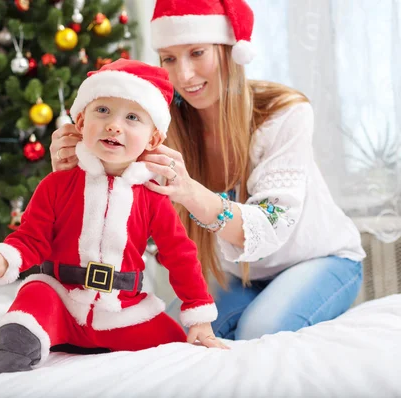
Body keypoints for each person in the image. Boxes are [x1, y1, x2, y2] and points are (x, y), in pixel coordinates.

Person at [50, 0, 366, 341]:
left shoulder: (283, 114)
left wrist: (189, 192)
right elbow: (127, 219)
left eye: (197, 53)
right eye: (169, 58)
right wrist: (75, 173)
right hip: (239, 274)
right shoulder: (160, 128)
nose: (183, 75)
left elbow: (271, 223)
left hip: (320, 259)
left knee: (259, 329)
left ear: (230, 50)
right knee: (173, 335)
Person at [0, 59, 228, 376]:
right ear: (80, 121)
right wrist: (1, 261)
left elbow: (180, 256)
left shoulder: (153, 198)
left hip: (122, 310)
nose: (114, 125)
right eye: (102, 111)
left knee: (178, 346)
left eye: (132, 117)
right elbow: (31, 238)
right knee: (34, 297)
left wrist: (198, 318)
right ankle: (16, 346)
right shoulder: (56, 185)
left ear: (154, 139)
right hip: (62, 299)